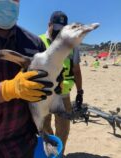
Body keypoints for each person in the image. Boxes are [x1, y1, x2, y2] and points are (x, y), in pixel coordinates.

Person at [0, 0, 58, 157]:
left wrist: (54, 80)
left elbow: (50, 87)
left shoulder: (35, 43)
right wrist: (7, 90)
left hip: (23, 144)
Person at [40, 11, 83, 155]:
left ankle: (60, 153)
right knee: (44, 128)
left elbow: (76, 70)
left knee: (64, 130)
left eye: (62, 28)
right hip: (43, 96)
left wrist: (80, 92)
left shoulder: (72, 46)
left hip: (64, 95)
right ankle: (50, 150)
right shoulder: (38, 41)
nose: (59, 30)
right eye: (56, 26)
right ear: (49, 25)